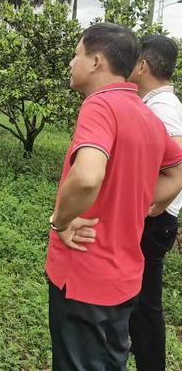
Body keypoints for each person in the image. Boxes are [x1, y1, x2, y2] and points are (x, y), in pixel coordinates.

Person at [45, 23, 182, 371]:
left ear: (95, 62)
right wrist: (149, 202)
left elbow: (88, 176)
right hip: (123, 278)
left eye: (76, 55)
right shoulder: (145, 115)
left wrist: (59, 221)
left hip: (84, 275)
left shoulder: (100, 106)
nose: (71, 64)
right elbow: (177, 168)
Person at [128, 35, 182, 371]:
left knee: (145, 306)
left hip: (153, 220)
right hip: (155, 217)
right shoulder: (158, 104)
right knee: (139, 303)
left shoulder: (162, 109)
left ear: (142, 65)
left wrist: (155, 204)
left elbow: (177, 162)